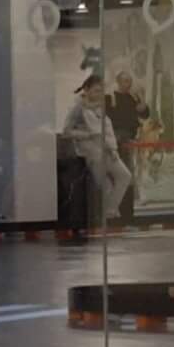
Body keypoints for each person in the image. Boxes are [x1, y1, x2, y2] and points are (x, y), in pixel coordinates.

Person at [62, 73, 133, 234]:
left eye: (101, 90)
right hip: (92, 151)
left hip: (107, 149)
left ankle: (110, 212)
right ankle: (110, 216)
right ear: (86, 90)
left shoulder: (99, 106)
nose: (99, 94)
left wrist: (113, 148)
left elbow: (107, 129)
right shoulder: (77, 108)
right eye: (95, 90)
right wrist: (87, 135)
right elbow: (66, 131)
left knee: (124, 176)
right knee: (105, 184)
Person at [108, 72, 146, 221]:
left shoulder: (132, 98)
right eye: (125, 81)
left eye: (129, 81)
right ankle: (121, 212)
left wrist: (142, 100)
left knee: (128, 176)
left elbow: (144, 113)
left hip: (129, 139)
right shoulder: (112, 98)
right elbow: (113, 119)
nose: (128, 84)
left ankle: (127, 213)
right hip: (119, 142)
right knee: (123, 176)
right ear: (118, 82)